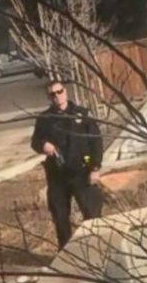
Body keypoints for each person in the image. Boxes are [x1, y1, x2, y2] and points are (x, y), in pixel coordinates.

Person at [30, 80, 103, 249]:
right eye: (52, 94)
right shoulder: (45, 119)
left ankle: (98, 248)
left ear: (65, 91)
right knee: (60, 216)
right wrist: (43, 145)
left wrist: (95, 168)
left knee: (92, 213)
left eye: (59, 91)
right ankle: (67, 253)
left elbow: (96, 143)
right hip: (58, 175)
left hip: (82, 171)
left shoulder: (82, 114)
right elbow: (35, 142)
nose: (57, 96)